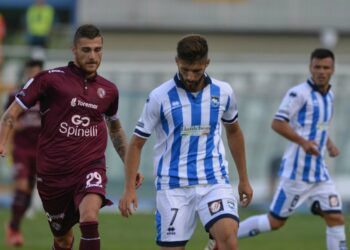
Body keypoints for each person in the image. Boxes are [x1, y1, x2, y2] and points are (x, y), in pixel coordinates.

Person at [0, 24, 142, 250]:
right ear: (73, 50)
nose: (93, 56)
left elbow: (115, 130)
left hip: (90, 166)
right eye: (86, 50)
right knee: (63, 239)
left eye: (98, 49)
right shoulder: (49, 80)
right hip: (53, 174)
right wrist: (2, 140)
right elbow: (13, 111)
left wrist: (130, 166)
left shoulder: (109, 90)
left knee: (89, 217)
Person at [119, 34, 253, 250]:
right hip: (173, 187)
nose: (190, 76)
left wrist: (244, 179)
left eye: (197, 70)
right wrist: (128, 189)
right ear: (176, 62)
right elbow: (136, 144)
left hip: (213, 180)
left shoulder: (223, 92)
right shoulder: (159, 97)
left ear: (207, 63)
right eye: (185, 70)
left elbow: (234, 132)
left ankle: (216, 239)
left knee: (228, 238)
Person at [236, 48, 347, 250]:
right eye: (317, 67)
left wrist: (329, 144)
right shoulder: (298, 93)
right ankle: (225, 235)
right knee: (275, 222)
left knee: (336, 218)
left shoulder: (328, 95)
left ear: (332, 69)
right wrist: (303, 142)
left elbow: (319, 126)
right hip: (297, 173)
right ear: (310, 68)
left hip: (319, 173)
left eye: (326, 67)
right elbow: (277, 123)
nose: (321, 71)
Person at [4, 59, 43, 247]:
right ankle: (13, 228)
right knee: (21, 186)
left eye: (37, 73)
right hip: (21, 149)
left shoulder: (46, 96)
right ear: (26, 74)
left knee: (28, 191)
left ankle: (14, 225)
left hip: (40, 150)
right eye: (31, 73)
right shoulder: (16, 95)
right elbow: (8, 118)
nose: (33, 77)